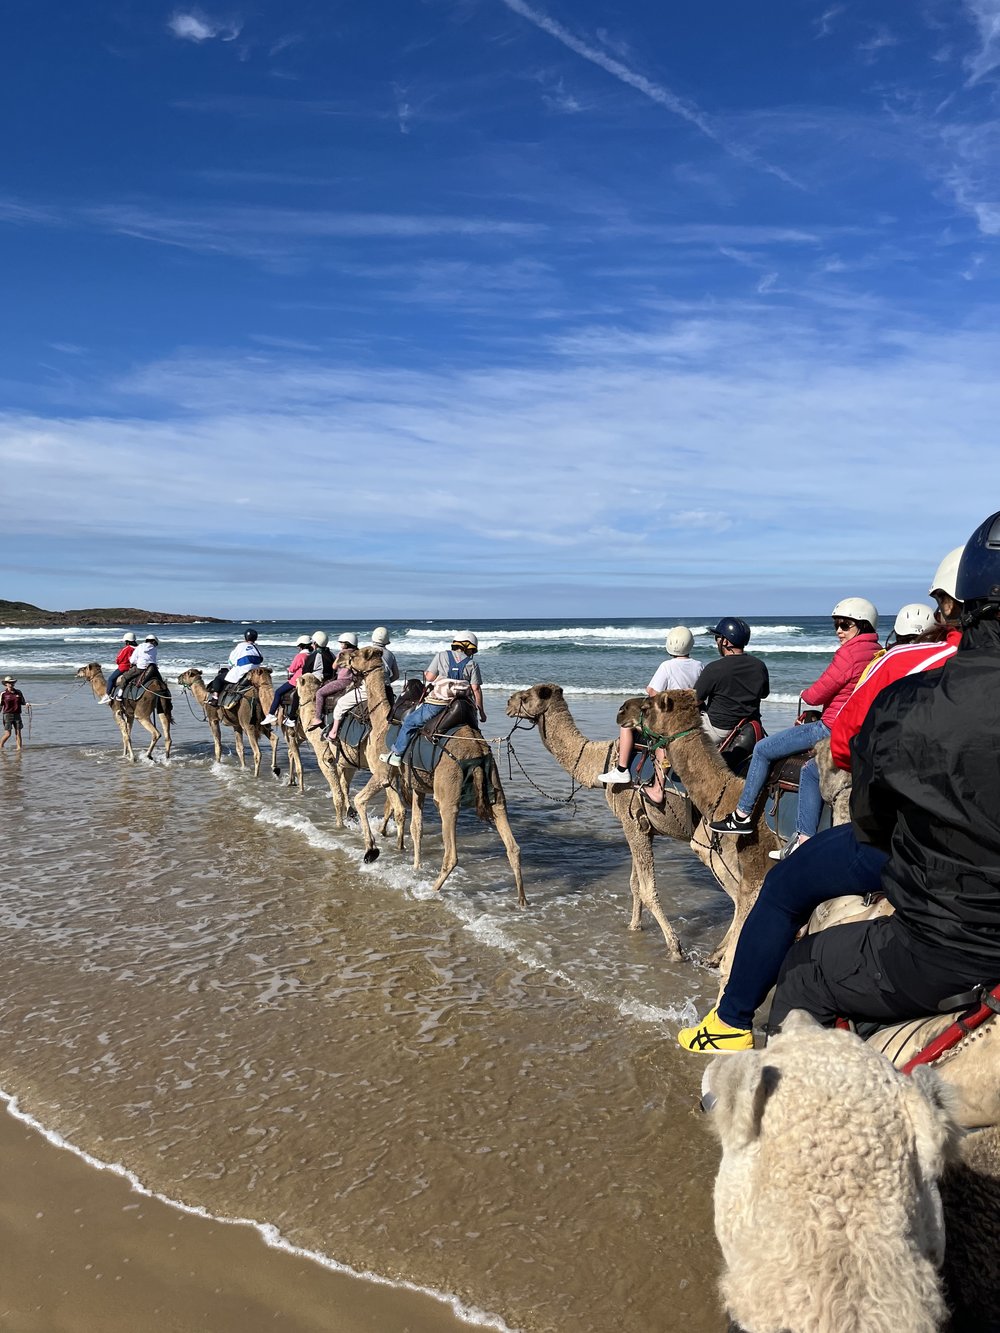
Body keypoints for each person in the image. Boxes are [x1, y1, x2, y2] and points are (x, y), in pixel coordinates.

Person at [766, 511, 1000, 1034]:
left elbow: (873, 823)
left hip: (951, 949)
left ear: (963, 604)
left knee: (806, 970)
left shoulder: (907, 701)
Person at [709, 599, 879, 854]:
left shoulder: (850, 653)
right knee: (811, 769)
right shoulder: (875, 651)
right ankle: (804, 839)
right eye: (836, 625)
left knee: (764, 749)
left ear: (862, 626)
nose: (839, 631)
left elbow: (819, 692)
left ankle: (742, 815)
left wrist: (805, 694)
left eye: (845, 625)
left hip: (830, 727)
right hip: (856, 729)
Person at [599, 626, 702, 789]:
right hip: (688, 719)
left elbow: (653, 691)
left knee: (627, 725)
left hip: (669, 721)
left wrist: (650, 690)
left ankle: (622, 769)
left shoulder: (667, 666)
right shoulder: (698, 665)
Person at [380, 632, 485, 766]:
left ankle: (397, 754)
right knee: (475, 730)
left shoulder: (442, 655)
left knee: (410, 721)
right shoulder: (472, 663)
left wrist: (431, 674)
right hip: (463, 705)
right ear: (471, 648)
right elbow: (476, 688)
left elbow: (429, 677)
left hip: (439, 703)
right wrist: (481, 712)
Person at [692, 617, 769, 746]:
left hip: (719, 729)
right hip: (750, 724)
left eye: (717, 638)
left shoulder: (714, 668)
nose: (716, 641)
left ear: (725, 641)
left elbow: (695, 700)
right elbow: (764, 694)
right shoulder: (759, 665)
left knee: (682, 735)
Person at [307, 632, 358, 731]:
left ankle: (317, 718)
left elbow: (334, 666)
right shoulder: (358, 653)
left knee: (319, 693)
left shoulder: (343, 653)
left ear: (346, 643)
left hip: (343, 681)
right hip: (355, 681)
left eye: (342, 643)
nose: (341, 645)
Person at [261, 635, 311, 728]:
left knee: (278, 692)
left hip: (296, 681)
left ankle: (271, 714)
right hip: (308, 680)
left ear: (300, 646)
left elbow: (292, 669)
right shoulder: (312, 655)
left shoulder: (300, 656)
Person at [206, 630, 263, 705]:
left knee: (218, 679)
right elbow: (261, 659)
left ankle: (215, 698)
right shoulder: (256, 648)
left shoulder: (240, 645)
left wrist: (232, 666)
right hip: (255, 673)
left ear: (245, 637)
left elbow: (231, 661)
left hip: (242, 672)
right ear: (255, 638)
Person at [100, 632, 138, 703]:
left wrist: (119, 662)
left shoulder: (127, 649)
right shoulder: (138, 647)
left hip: (124, 667)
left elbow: (118, 659)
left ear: (127, 641)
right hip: (136, 668)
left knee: (111, 679)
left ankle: (108, 695)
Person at [1, 675, 28, 751]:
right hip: (7, 715)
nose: (11, 684)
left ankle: (19, 749)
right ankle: (1, 746)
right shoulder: (3, 694)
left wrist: (26, 704)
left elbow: (23, 702)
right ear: (6, 684)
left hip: (17, 715)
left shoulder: (18, 692)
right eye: (9, 683)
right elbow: (0, 706)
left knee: (18, 732)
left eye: (12, 682)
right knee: (8, 734)